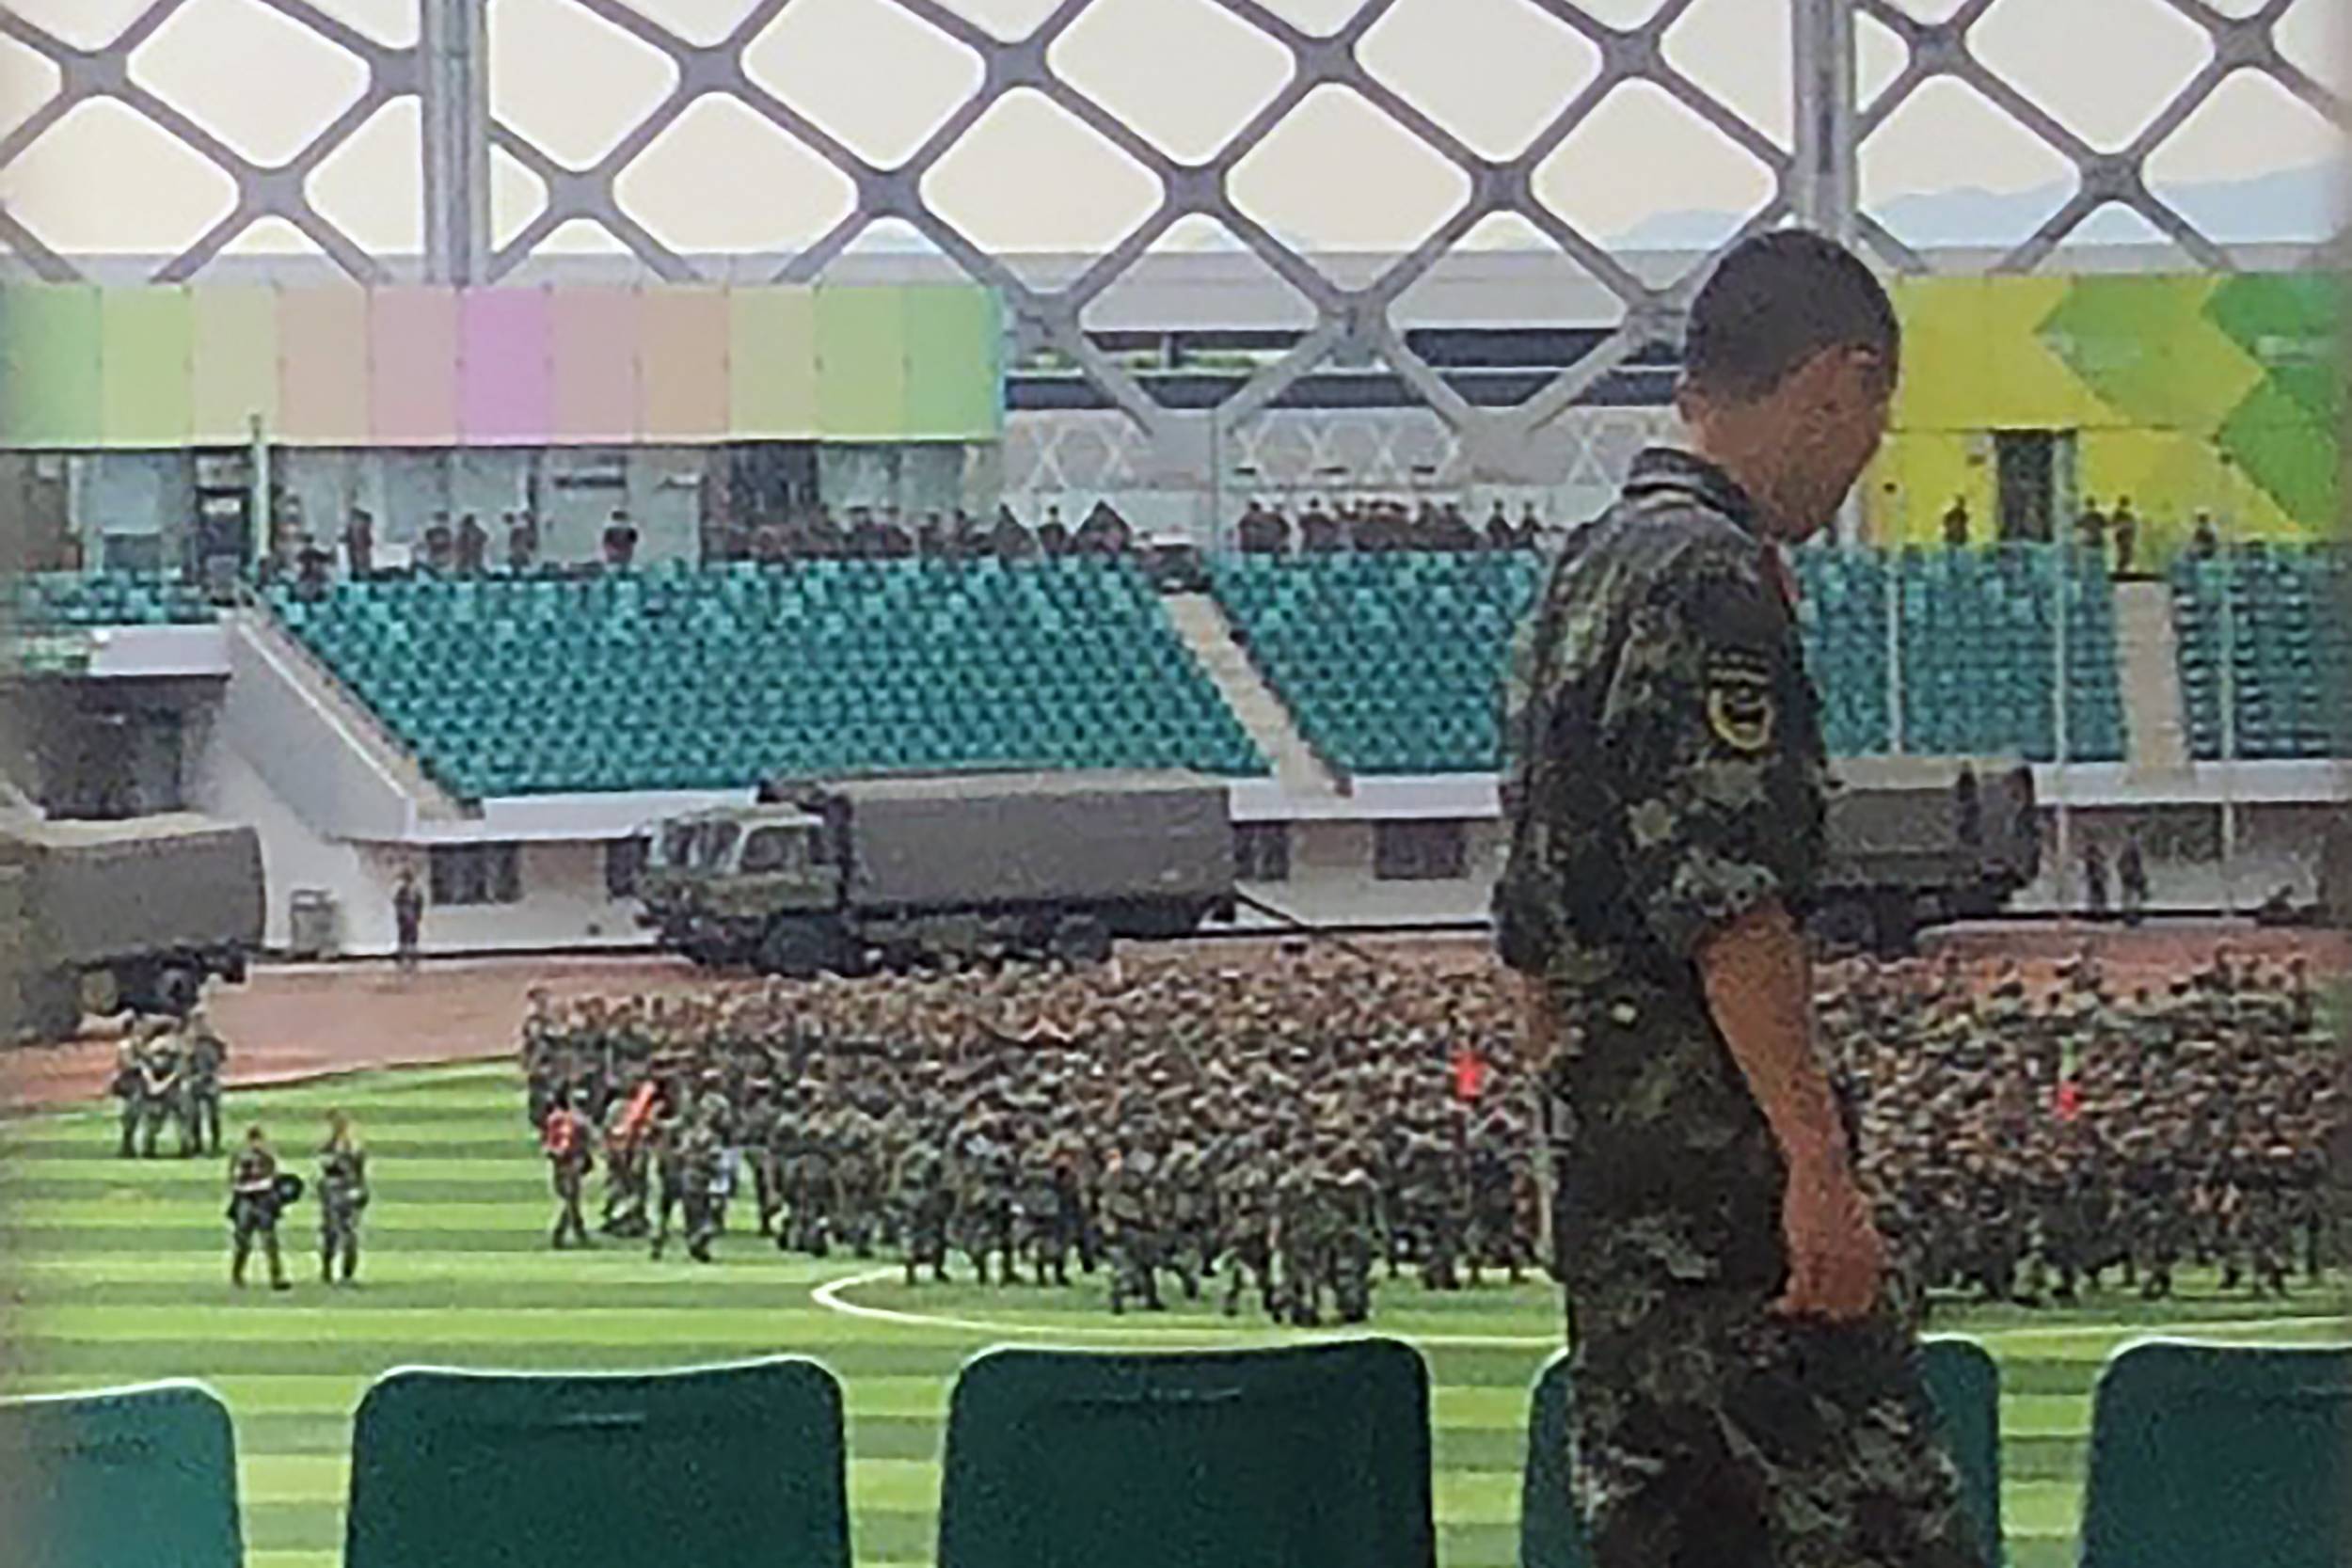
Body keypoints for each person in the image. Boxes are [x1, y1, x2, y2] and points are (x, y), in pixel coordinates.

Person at [1492, 230, 1981, 1568]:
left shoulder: (1580, 575)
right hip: (1726, 1197)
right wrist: (1819, 1169)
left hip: (1615, 1193)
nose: (1866, 449)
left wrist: (1565, 1157)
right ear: (1836, 377)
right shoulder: (1712, 578)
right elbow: (1732, 905)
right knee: (1886, 1532)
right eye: (1873, 413)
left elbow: (1531, 927)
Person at [228, 1124, 292, 1291]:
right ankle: (237, 1274)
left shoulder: (268, 1156)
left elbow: (275, 1176)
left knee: (270, 1240)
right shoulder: (241, 1156)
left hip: (263, 1199)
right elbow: (234, 1177)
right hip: (246, 1198)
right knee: (243, 1240)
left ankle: (276, 1276)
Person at [318, 1109, 369, 1286]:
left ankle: (347, 1274)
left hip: (348, 1193)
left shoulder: (353, 1147)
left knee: (349, 1235)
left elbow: (359, 1172)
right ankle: (327, 1269)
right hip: (333, 1194)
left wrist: (360, 1190)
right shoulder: (329, 1146)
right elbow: (327, 1167)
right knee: (331, 1233)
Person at [542, 1094, 595, 1249]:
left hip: (559, 1161)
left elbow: (549, 1143)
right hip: (571, 1162)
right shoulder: (580, 1122)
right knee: (571, 1200)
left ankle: (571, 1234)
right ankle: (568, 1233)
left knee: (570, 1200)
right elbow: (585, 1144)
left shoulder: (556, 1118)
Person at [393, 870, 423, 975]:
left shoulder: (415, 892)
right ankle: (404, 961)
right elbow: (397, 904)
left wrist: (418, 916)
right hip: (405, 919)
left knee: (411, 940)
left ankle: (412, 962)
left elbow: (419, 905)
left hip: (411, 919)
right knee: (404, 940)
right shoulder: (402, 892)